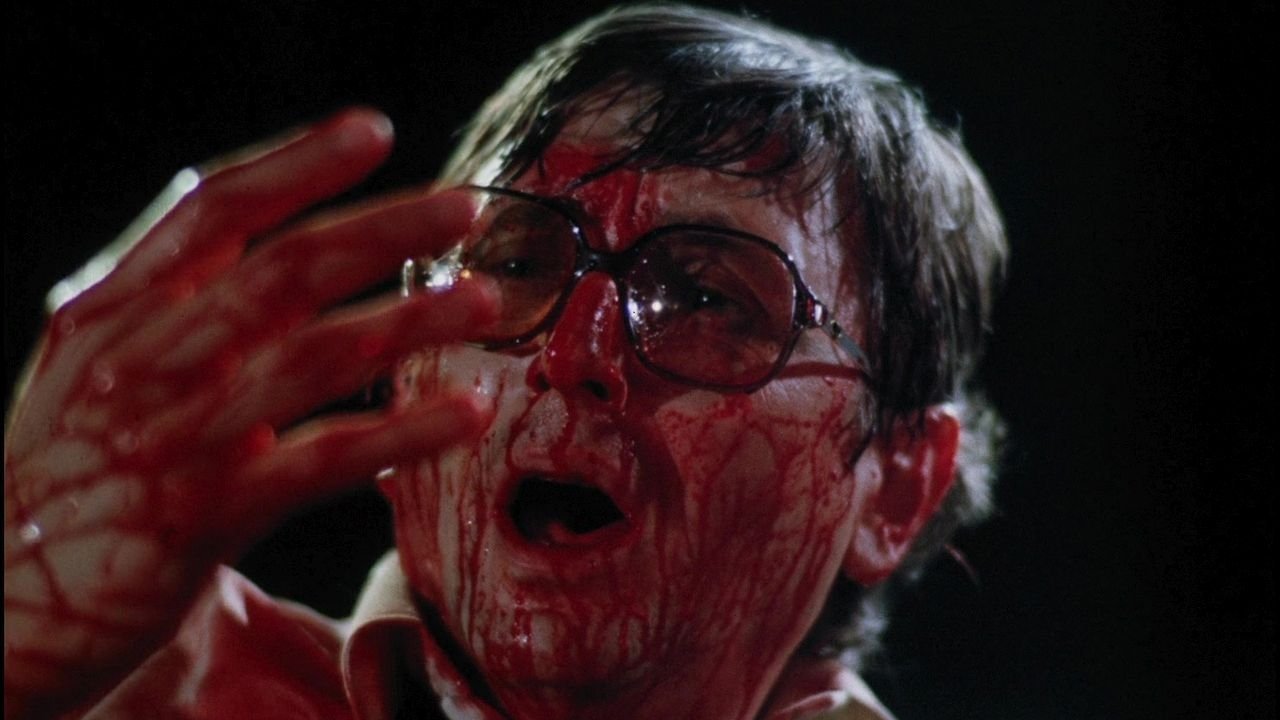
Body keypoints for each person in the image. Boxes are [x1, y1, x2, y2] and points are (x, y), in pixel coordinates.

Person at [4, 5, 1005, 719]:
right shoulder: (120, 692)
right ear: (400, 375)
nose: (574, 354)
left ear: (896, 488)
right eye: (519, 265)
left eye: (705, 297)